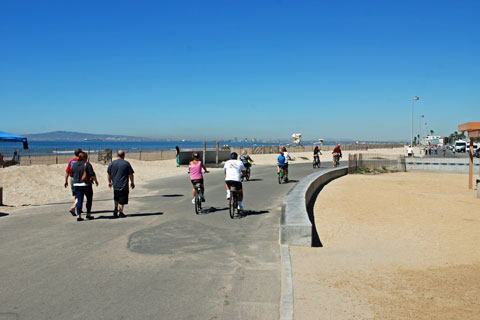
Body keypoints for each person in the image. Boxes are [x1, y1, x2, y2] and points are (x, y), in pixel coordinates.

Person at [107, 150, 135, 218]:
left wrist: (109, 182)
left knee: (116, 197)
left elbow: (108, 174)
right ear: (124, 155)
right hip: (123, 184)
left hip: (115, 184)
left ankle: (116, 208)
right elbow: (131, 174)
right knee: (122, 198)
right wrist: (132, 182)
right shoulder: (126, 163)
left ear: (117, 155)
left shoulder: (112, 163)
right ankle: (121, 212)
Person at [71, 152, 98, 221]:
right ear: (85, 157)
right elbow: (92, 174)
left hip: (76, 184)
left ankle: (79, 215)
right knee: (89, 199)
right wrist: (96, 181)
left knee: (80, 199)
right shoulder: (87, 164)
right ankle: (88, 214)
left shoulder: (74, 165)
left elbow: (72, 174)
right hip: (86, 184)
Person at [64, 148, 82, 216]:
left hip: (72, 178)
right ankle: (74, 207)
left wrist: (66, 181)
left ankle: (77, 207)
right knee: (80, 194)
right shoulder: (81, 161)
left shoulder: (71, 161)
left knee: (75, 194)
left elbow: (67, 172)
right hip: (79, 178)